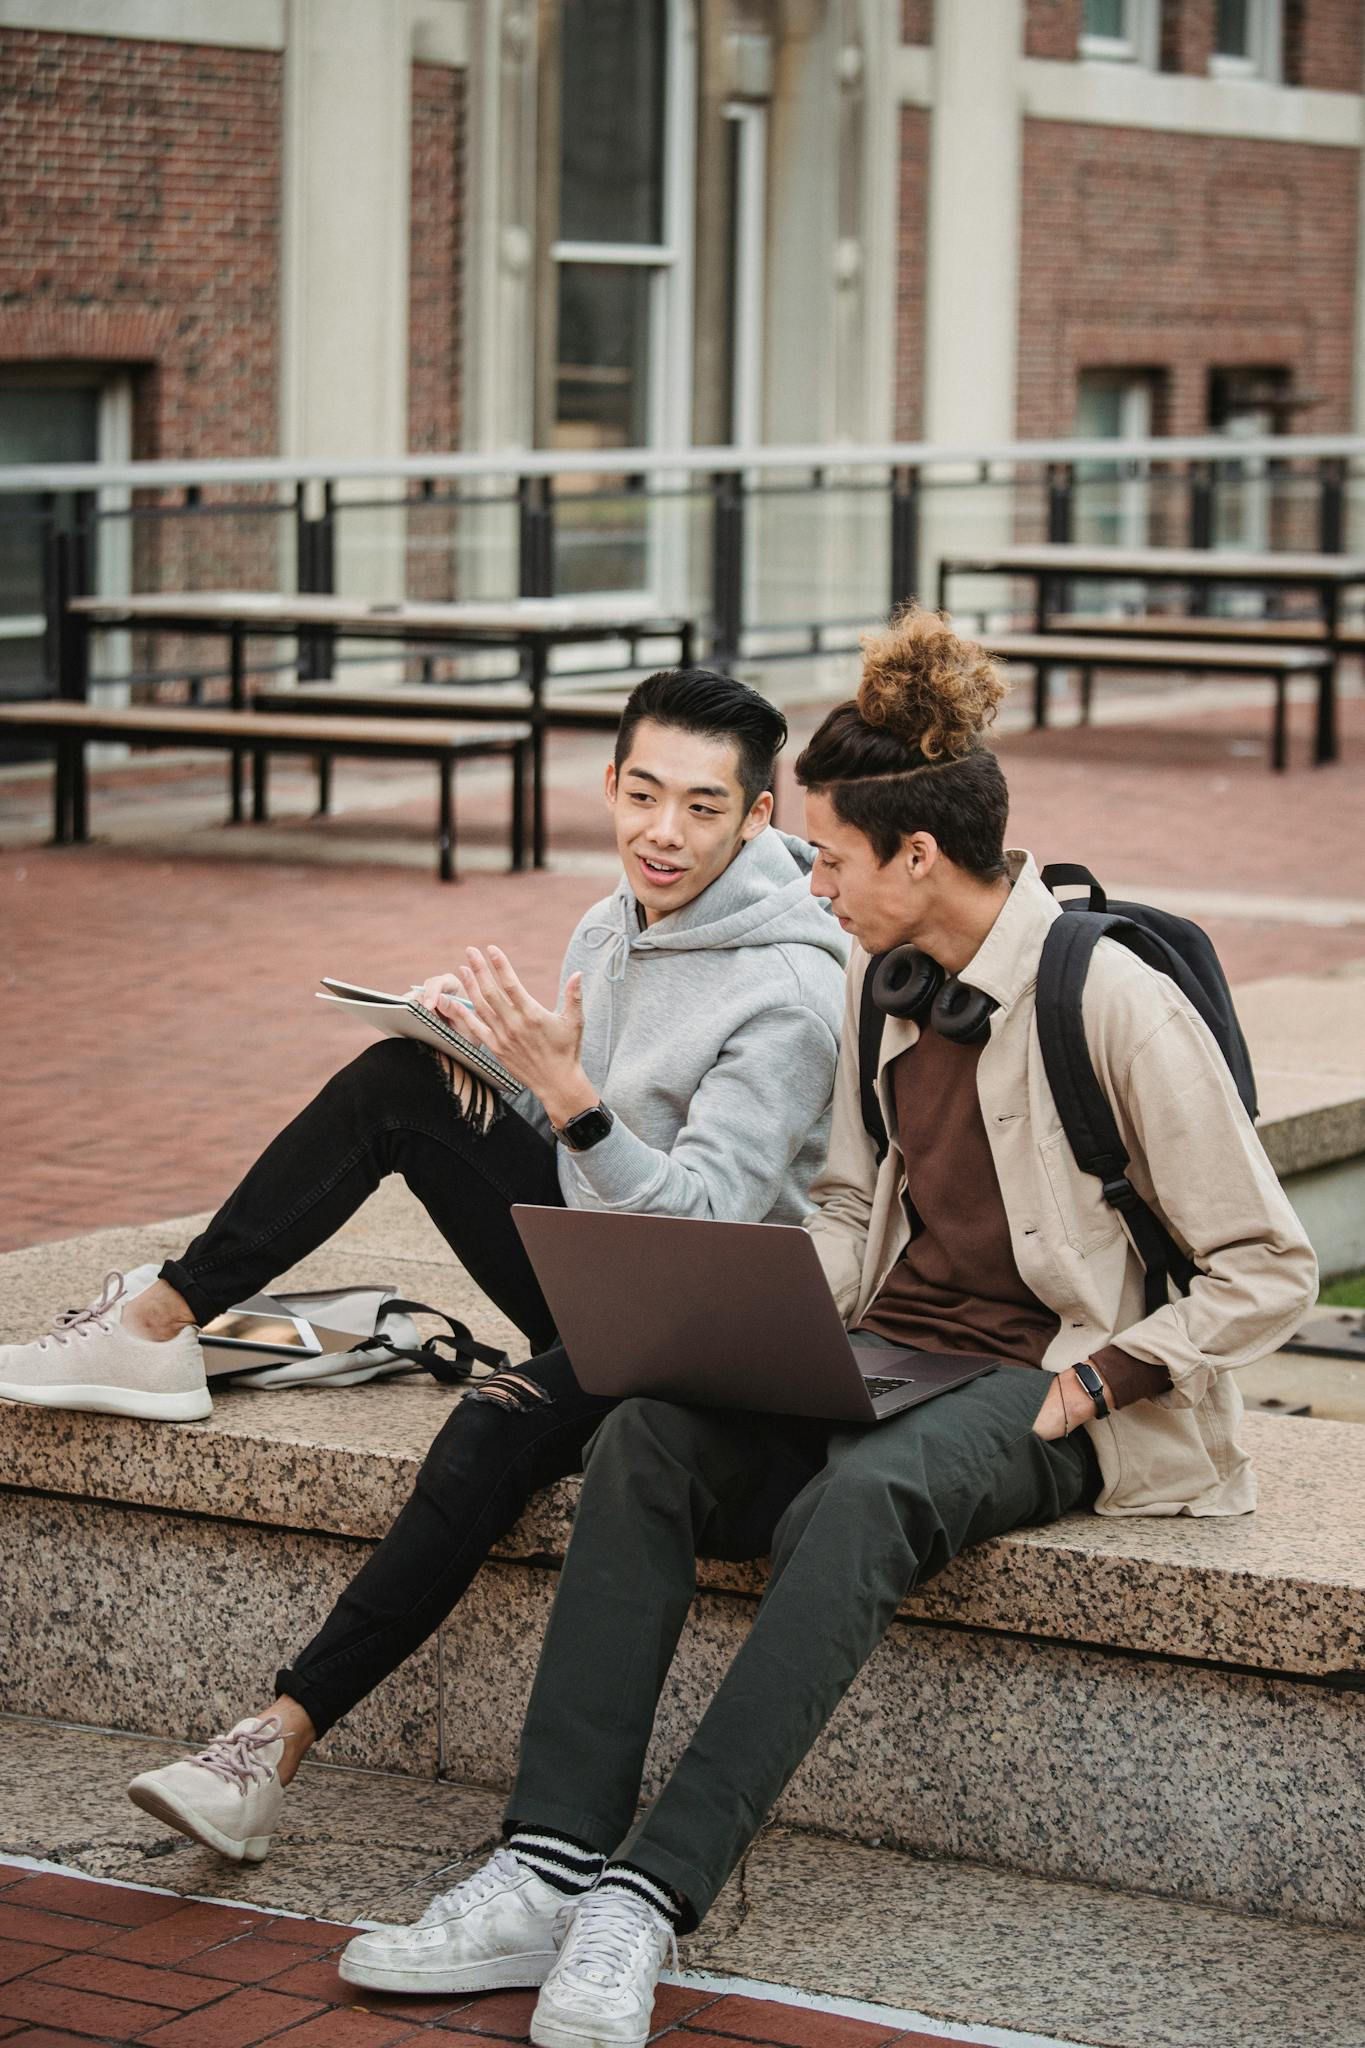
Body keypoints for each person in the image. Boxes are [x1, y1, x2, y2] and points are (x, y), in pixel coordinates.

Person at [335, 608, 1319, 2047]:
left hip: (1045, 1381)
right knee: (652, 1436)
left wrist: (1106, 1375)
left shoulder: (1111, 1000)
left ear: (914, 858)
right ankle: (547, 1863)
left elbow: (1269, 1263)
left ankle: (645, 1903)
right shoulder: (878, 979)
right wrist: (749, 1312)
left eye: (830, 857)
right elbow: (854, 1207)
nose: (805, 876)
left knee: (864, 1502)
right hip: (886, 1348)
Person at [0, 666, 849, 1865]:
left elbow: (701, 1219)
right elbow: (573, 1132)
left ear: (759, 816)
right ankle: (155, 1323)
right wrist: (484, 1057)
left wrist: (569, 1100)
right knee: (403, 1085)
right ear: (608, 782)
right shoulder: (618, 919)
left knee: (489, 1426)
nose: (664, 832)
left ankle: (271, 1742)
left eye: (704, 808)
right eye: (644, 793)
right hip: (593, 1254)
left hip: (691, 1326)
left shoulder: (789, 989)